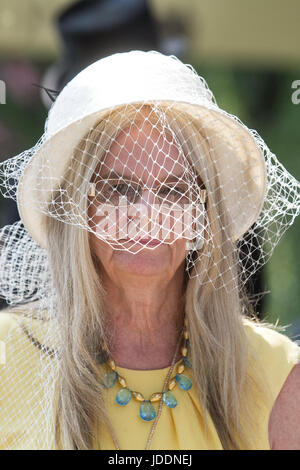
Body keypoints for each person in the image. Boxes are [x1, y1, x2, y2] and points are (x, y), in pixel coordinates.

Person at [0, 50, 299, 450]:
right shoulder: (7, 357)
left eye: (174, 191)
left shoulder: (276, 373)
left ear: (202, 214)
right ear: (74, 210)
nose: (146, 214)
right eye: (118, 189)